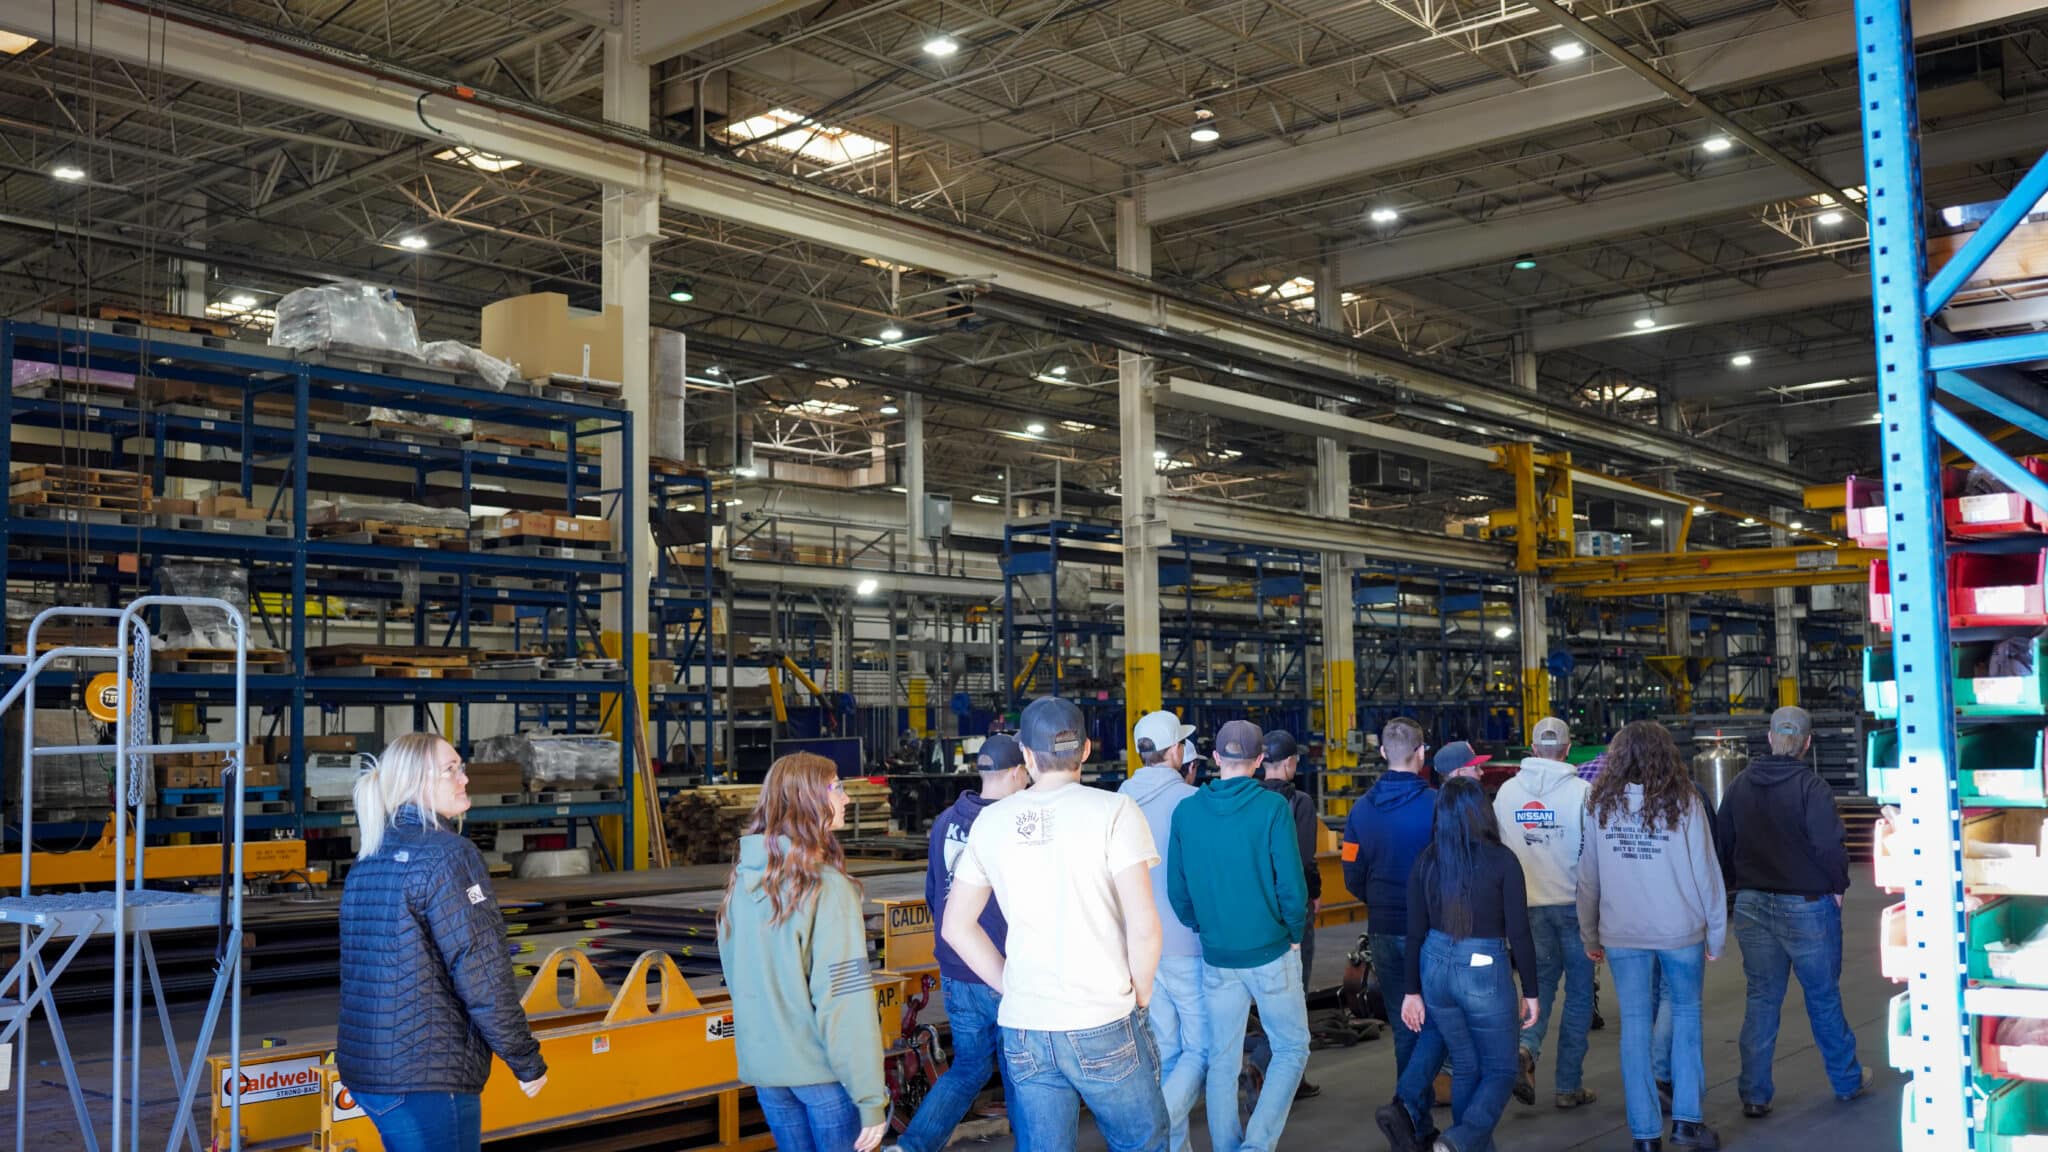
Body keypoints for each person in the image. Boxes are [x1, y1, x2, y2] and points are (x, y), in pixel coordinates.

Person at [942, 696, 1169, 1152]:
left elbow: (956, 927)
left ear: (1026, 755)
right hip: (1102, 1017)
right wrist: (1140, 993)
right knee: (1142, 1143)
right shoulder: (1115, 811)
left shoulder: (992, 822)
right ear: (1085, 749)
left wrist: (1011, 985)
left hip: (1026, 1023)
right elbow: (1144, 924)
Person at [337, 733, 547, 1152]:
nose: (464, 779)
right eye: (451, 770)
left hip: (371, 1069)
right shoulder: (449, 855)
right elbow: (480, 969)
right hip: (427, 1074)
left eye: (461, 768)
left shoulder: (370, 855)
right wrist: (524, 1058)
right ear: (416, 781)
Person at [718, 753, 889, 1152]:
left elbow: (737, 978)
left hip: (767, 1073)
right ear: (809, 799)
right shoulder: (826, 888)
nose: (846, 798)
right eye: (837, 787)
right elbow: (844, 1001)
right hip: (823, 1078)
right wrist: (870, 1098)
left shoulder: (742, 882)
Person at [1579, 721, 1727, 1152]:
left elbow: (1588, 877)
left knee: (1634, 1029)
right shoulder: (1685, 800)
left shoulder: (1599, 803)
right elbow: (1706, 872)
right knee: (1686, 1018)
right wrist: (1716, 934)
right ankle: (1687, 1123)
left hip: (1622, 932)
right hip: (1680, 931)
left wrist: (1589, 934)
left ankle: (1645, 1135)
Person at [1717, 705, 1871, 1117]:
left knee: (1762, 998)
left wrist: (1739, 884)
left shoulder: (1739, 785)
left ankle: (1754, 1093)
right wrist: (1837, 886)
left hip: (1752, 904)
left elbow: (1722, 841)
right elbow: (1829, 846)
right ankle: (1847, 1080)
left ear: (1770, 738)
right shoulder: (1812, 787)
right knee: (1822, 997)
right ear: (1807, 743)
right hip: (1806, 906)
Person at [1169, 719, 1312, 1152]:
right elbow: (1292, 885)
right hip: (1271, 951)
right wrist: (1294, 932)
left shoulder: (1187, 811)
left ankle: (1228, 1145)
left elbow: (1178, 891)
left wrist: (1204, 927)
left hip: (1217, 955)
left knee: (1222, 1060)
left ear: (1215, 758)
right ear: (1260, 759)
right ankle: (1255, 1146)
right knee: (1291, 1048)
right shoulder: (1272, 809)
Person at [890, 736, 1031, 1152]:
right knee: (1021, 1072)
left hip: (955, 968)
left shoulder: (945, 820)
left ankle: (911, 1147)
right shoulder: (1013, 823)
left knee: (969, 1068)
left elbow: (934, 893)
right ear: (1016, 772)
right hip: (1001, 967)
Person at [1391, 777, 1539, 1152]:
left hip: (1434, 966)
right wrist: (1532, 992)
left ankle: (1463, 1145)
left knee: (1467, 1063)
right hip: (1482, 969)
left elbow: (1414, 931)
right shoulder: (1503, 861)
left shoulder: (1427, 860)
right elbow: (1520, 932)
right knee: (1502, 1069)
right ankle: (1460, 1139)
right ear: (1483, 811)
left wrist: (1411, 991)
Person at [1348, 719, 1449, 1151]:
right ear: (1422, 752)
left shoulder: (1360, 811)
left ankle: (1416, 1126)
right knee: (1442, 1020)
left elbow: (1351, 872)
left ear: (1383, 752)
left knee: (1405, 1025)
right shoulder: (1437, 806)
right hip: (1432, 930)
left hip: (1385, 928)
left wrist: (1377, 898)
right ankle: (1408, 1108)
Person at [1492, 717, 1596, 1111]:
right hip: (1575, 907)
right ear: (1568, 750)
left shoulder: (1506, 793)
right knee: (1580, 995)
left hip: (1527, 909)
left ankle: (1525, 1048)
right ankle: (1568, 1085)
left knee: (1539, 987)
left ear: (1533, 749)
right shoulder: (1583, 793)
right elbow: (1595, 854)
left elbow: (1497, 850)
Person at [1120, 710, 1209, 1152]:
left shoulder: (1120, 800)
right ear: (1175, 750)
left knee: (1167, 1053)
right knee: (1203, 1050)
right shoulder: (1192, 801)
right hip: (1185, 944)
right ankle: (1151, 1131)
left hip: (1138, 949)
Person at [1261, 728, 1325, 1099]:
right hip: (1292, 908)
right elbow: (1304, 858)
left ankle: (1269, 1067)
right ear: (1288, 763)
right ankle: (1276, 1070)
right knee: (1295, 989)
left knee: (1266, 991)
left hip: (1258, 907)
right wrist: (1314, 893)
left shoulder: (1251, 798)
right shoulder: (1299, 802)